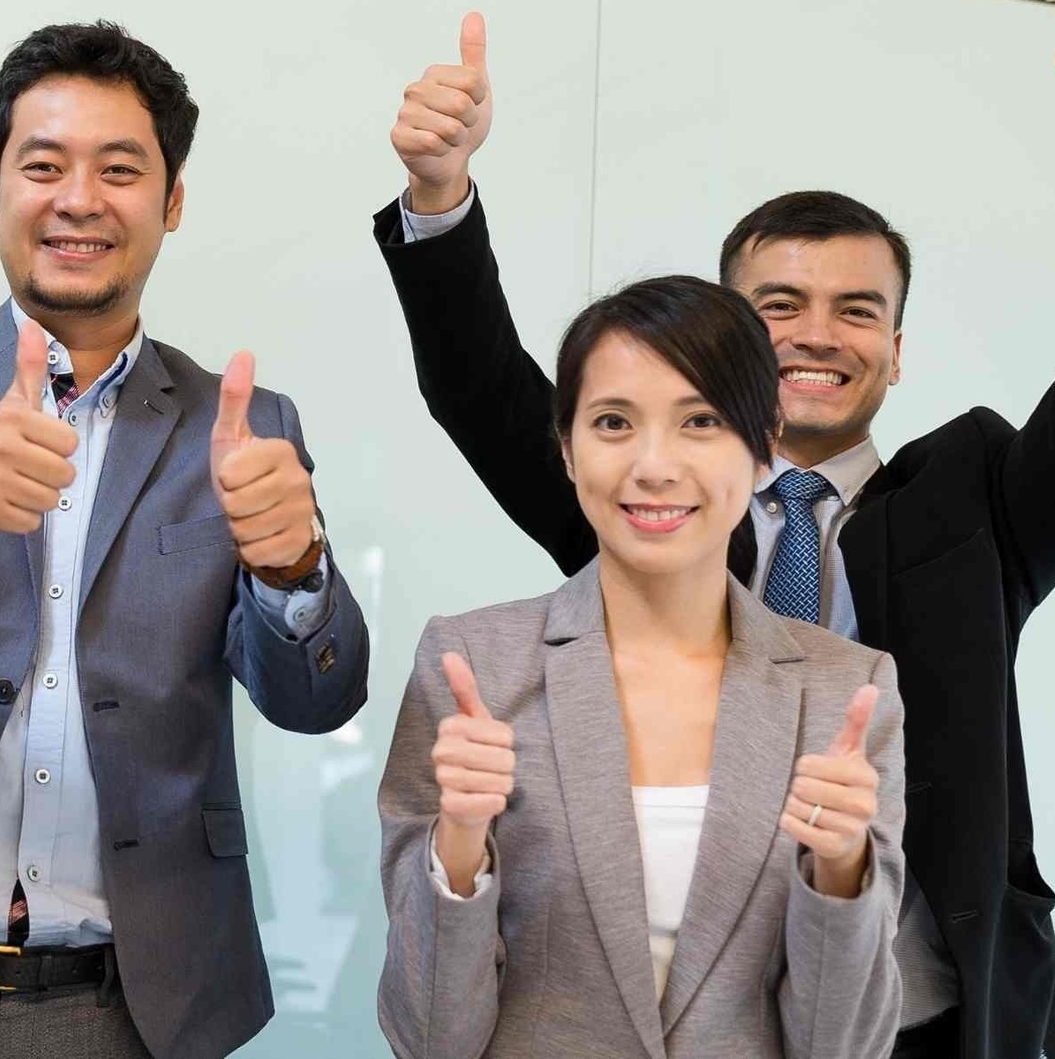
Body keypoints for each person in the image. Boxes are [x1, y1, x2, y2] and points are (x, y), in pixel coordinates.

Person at [372, 0, 1055, 1058]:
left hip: (907, 1010)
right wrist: (438, 193)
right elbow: (484, 385)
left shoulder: (976, 508)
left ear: (897, 352)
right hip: (667, 1010)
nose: (816, 335)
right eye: (778, 306)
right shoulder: (653, 506)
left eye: (857, 310)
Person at [0, 22, 371, 1059]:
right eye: (42, 166)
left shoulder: (243, 425)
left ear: (172, 202)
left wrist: (292, 569)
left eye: (119, 170)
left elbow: (318, 701)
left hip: (128, 1002)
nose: (79, 199)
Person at [378, 275, 906, 1058]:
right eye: (614, 422)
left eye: (702, 421)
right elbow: (429, 1038)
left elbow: (842, 1047)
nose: (654, 466)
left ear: (764, 440)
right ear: (566, 447)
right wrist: (458, 845)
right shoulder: (472, 667)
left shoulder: (846, 691)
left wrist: (841, 869)